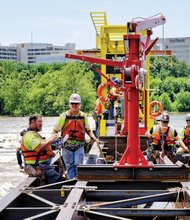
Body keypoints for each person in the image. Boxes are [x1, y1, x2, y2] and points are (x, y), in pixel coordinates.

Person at [53, 93, 99, 179]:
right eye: (73, 103)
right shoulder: (64, 116)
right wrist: (54, 141)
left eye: (76, 103)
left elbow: (88, 130)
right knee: (70, 166)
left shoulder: (83, 116)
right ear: (70, 104)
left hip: (79, 145)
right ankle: (72, 181)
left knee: (78, 165)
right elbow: (55, 130)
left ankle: (78, 180)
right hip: (67, 146)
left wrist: (93, 137)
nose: (74, 105)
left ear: (79, 105)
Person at [21, 114, 63, 184]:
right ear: (32, 122)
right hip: (39, 168)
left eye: (42, 122)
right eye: (39, 121)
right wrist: (51, 139)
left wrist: (54, 145)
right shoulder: (30, 135)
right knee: (65, 183)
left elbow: (43, 147)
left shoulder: (34, 134)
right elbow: (39, 148)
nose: (41, 124)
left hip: (44, 167)